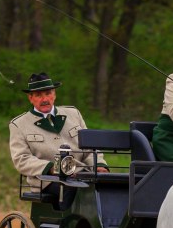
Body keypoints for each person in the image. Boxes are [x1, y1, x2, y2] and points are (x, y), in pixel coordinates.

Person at [9, 72, 108, 210]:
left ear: (54, 94)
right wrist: (52, 168)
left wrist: (98, 165)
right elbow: (22, 160)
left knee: (110, 184)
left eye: (48, 93)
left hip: (82, 173)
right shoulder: (19, 124)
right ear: (30, 98)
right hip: (47, 180)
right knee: (71, 187)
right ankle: (69, 222)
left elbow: (89, 147)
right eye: (38, 95)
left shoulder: (73, 114)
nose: (45, 99)